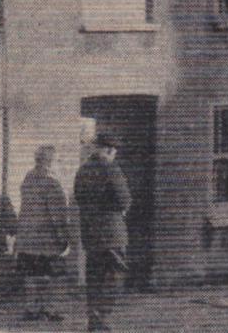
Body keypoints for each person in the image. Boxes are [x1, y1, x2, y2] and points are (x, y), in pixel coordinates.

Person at [73, 134, 131, 332]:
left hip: (90, 232)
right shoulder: (111, 168)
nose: (114, 154)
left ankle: (93, 320)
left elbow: (78, 199)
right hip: (111, 233)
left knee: (95, 276)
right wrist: (119, 210)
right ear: (108, 150)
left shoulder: (82, 170)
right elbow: (124, 200)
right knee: (115, 275)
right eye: (114, 151)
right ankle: (101, 319)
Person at [15, 145, 69, 322]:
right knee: (49, 275)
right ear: (50, 162)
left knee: (31, 274)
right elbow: (58, 216)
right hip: (46, 239)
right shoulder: (52, 183)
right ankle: (48, 309)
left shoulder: (28, 178)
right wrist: (64, 239)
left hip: (26, 238)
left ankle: (31, 309)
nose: (60, 164)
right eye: (58, 160)